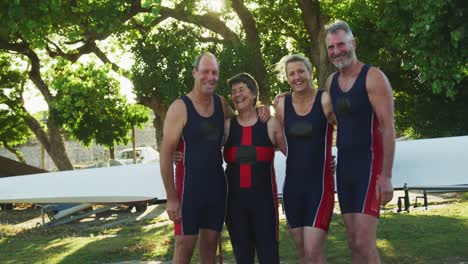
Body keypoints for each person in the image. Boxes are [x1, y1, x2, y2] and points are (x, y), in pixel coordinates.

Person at [160, 52, 269, 264]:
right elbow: (165, 155)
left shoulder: (221, 104)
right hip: (188, 190)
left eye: (214, 73)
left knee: (209, 250)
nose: (210, 77)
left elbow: (243, 120)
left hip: (217, 189)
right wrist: (171, 197)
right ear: (194, 73)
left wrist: (260, 107)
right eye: (205, 72)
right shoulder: (180, 108)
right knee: (184, 250)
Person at [324, 20, 395, 264]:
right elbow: (329, 119)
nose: (336, 51)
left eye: (341, 44)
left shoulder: (373, 77)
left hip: (370, 167)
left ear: (353, 43)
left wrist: (385, 175)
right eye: (331, 47)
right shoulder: (331, 82)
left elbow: (388, 128)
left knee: (365, 242)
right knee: (353, 241)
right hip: (345, 168)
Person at [274, 54, 335, 264]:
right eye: (291, 73)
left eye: (301, 71)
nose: (297, 77)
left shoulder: (326, 99)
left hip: (319, 186)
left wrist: (336, 158)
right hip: (292, 187)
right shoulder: (281, 105)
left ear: (310, 72)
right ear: (287, 78)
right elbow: (275, 137)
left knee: (313, 251)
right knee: (303, 254)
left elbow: (350, 129)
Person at [223, 73, 286, 263]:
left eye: (241, 89)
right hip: (234, 205)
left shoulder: (271, 124)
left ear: (253, 94)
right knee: (243, 257)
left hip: (264, 204)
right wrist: (179, 154)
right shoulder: (227, 127)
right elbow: (203, 149)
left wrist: (323, 163)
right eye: (233, 91)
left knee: (269, 256)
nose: (237, 95)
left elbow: (294, 154)